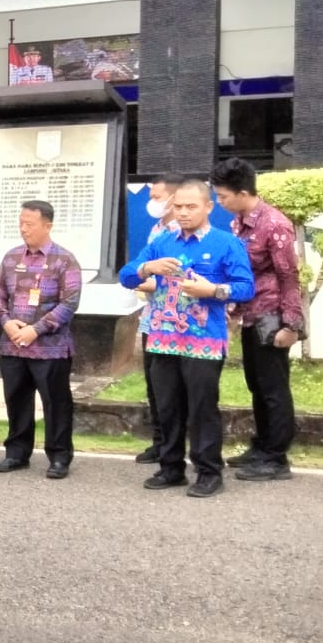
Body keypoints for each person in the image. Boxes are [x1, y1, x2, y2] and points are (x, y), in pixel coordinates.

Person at [120, 180, 254, 497]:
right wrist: (146, 268)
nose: (183, 212)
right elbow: (127, 275)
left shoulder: (227, 243)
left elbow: (246, 288)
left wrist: (213, 291)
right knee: (166, 407)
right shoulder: (163, 242)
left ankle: (208, 471)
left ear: (208, 207)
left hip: (204, 342)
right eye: (178, 206)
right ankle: (171, 468)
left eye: (191, 206)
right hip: (162, 338)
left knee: (202, 408)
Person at [212, 159, 305, 482]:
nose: (219, 203)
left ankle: (277, 457)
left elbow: (289, 276)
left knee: (273, 388)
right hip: (250, 314)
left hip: (271, 316)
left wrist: (291, 325)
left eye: (223, 196)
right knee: (257, 385)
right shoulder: (239, 223)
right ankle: (262, 446)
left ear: (241, 192)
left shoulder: (274, 224)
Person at [0, 200, 83, 478]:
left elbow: (70, 302)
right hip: (13, 346)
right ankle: (17, 453)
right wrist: (7, 322)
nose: (23, 229)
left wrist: (36, 329)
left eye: (29, 224)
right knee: (16, 400)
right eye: (20, 223)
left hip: (50, 349)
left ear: (47, 225)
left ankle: (58, 456)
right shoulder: (11, 258)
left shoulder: (64, 260)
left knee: (56, 403)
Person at [134, 173, 186, 465]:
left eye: (156, 197)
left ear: (173, 198)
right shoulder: (157, 229)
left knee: (170, 388)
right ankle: (159, 440)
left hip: (174, 321)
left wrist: (147, 281)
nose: (151, 202)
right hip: (150, 318)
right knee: (153, 384)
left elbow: (178, 280)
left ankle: (172, 444)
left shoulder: (180, 232)